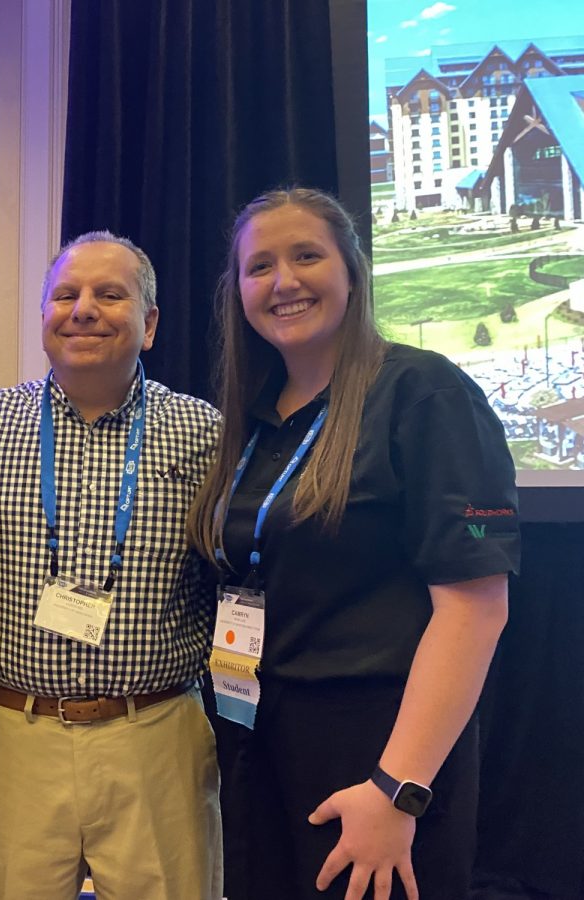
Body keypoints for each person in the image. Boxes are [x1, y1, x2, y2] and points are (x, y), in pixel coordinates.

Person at [185, 187, 518, 900]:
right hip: (259, 743)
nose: (284, 282)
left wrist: (397, 789)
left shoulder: (425, 394)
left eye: (307, 256)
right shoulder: (255, 418)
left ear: (352, 271)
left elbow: (476, 609)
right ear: (236, 290)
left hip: (379, 755)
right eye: (260, 266)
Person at [0, 231, 224, 900]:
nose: (84, 309)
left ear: (150, 323)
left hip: (155, 735)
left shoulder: (206, 434)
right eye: (65, 294)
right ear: (43, 316)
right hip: (19, 735)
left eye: (110, 294)